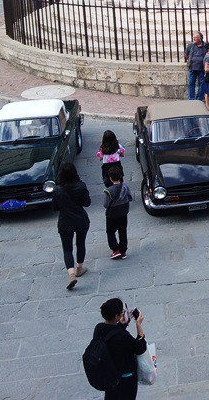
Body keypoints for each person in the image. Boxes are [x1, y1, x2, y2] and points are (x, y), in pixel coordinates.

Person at [93, 298, 146, 400]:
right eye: (121, 312)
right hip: (124, 380)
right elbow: (140, 348)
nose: (123, 313)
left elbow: (111, 336)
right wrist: (138, 325)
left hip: (109, 377)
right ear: (116, 316)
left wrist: (122, 325)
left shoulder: (98, 328)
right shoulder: (122, 336)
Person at [52, 162, 91, 290]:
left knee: (67, 249)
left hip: (65, 221)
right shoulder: (81, 186)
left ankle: (71, 274)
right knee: (81, 243)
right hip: (81, 220)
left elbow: (55, 207)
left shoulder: (57, 189)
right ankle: (79, 267)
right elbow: (87, 203)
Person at [102, 166, 132, 261]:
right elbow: (130, 197)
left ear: (110, 178)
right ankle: (123, 251)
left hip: (112, 215)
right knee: (122, 231)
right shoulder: (125, 187)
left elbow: (106, 204)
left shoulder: (109, 191)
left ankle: (115, 249)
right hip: (123, 213)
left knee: (110, 231)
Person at [184, 32, 206, 101]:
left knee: (202, 83)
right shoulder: (190, 45)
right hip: (192, 67)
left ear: (200, 38)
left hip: (202, 68)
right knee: (191, 83)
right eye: (193, 37)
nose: (194, 38)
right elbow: (186, 54)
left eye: (195, 37)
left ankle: (199, 98)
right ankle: (191, 98)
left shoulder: (205, 46)